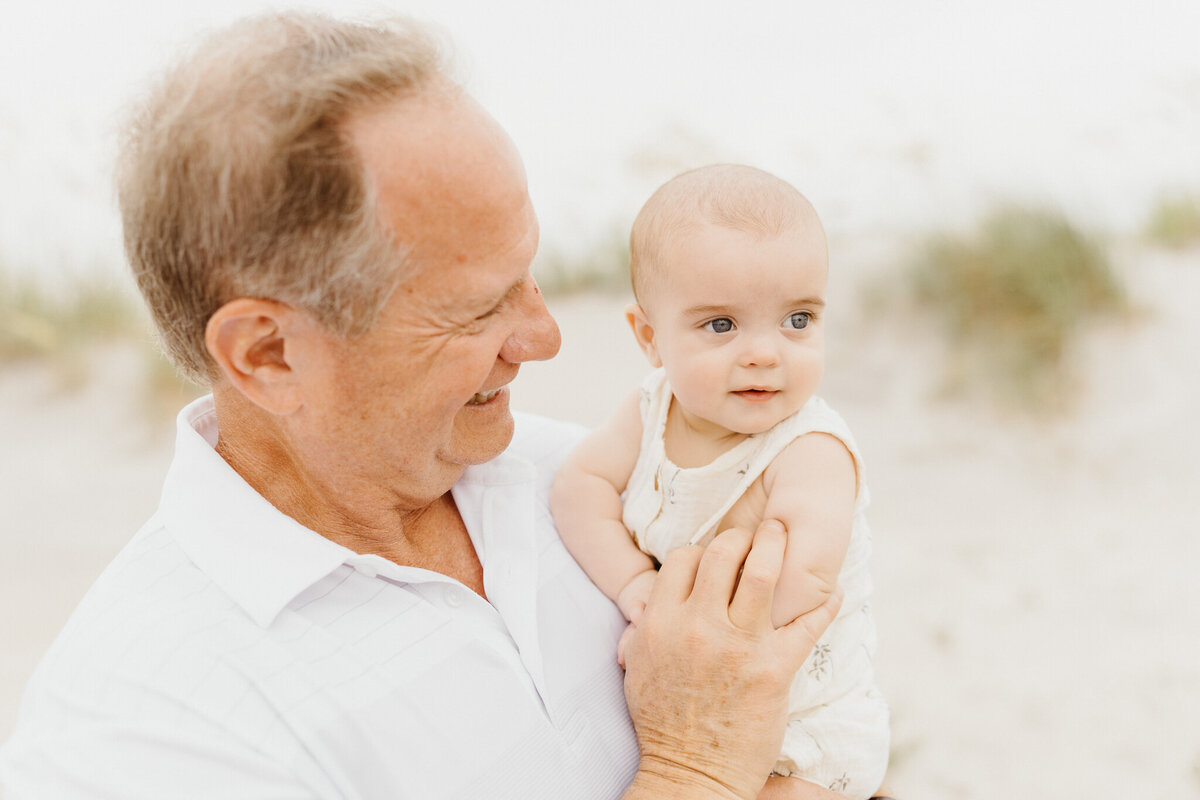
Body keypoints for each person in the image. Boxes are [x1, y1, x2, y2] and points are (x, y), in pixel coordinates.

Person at [0, 14, 849, 800]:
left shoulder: (584, 480)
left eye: (530, 274)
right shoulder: (147, 736)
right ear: (268, 354)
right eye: (479, 309)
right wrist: (696, 764)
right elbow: (719, 746)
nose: (545, 337)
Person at [551, 165, 890, 799]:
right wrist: (634, 587)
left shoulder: (809, 449)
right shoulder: (650, 410)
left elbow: (806, 580)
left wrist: (682, 641)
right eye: (721, 326)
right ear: (649, 338)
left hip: (809, 723)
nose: (765, 353)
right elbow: (579, 488)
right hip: (692, 696)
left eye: (798, 321)